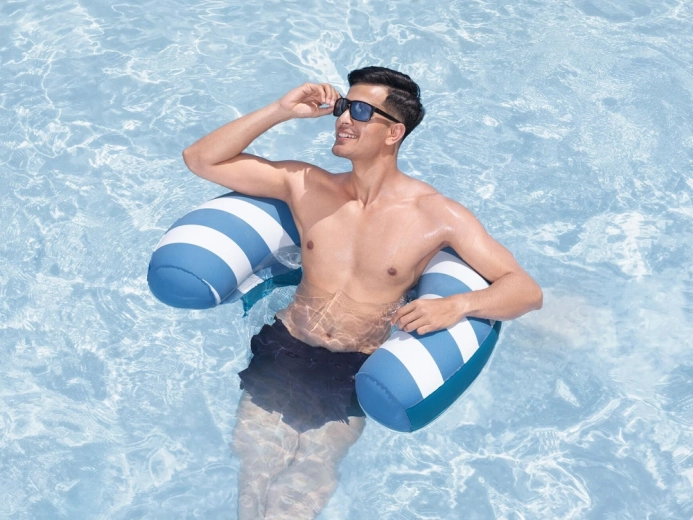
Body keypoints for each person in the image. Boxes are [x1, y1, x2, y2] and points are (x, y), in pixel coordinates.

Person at [182, 66, 542, 519]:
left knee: (303, 486)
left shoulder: (437, 216)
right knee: (253, 476)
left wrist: (458, 305)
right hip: (284, 347)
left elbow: (525, 290)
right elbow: (200, 159)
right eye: (342, 106)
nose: (342, 119)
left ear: (394, 132)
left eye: (359, 111)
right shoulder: (307, 185)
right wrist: (280, 110)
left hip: (353, 368)